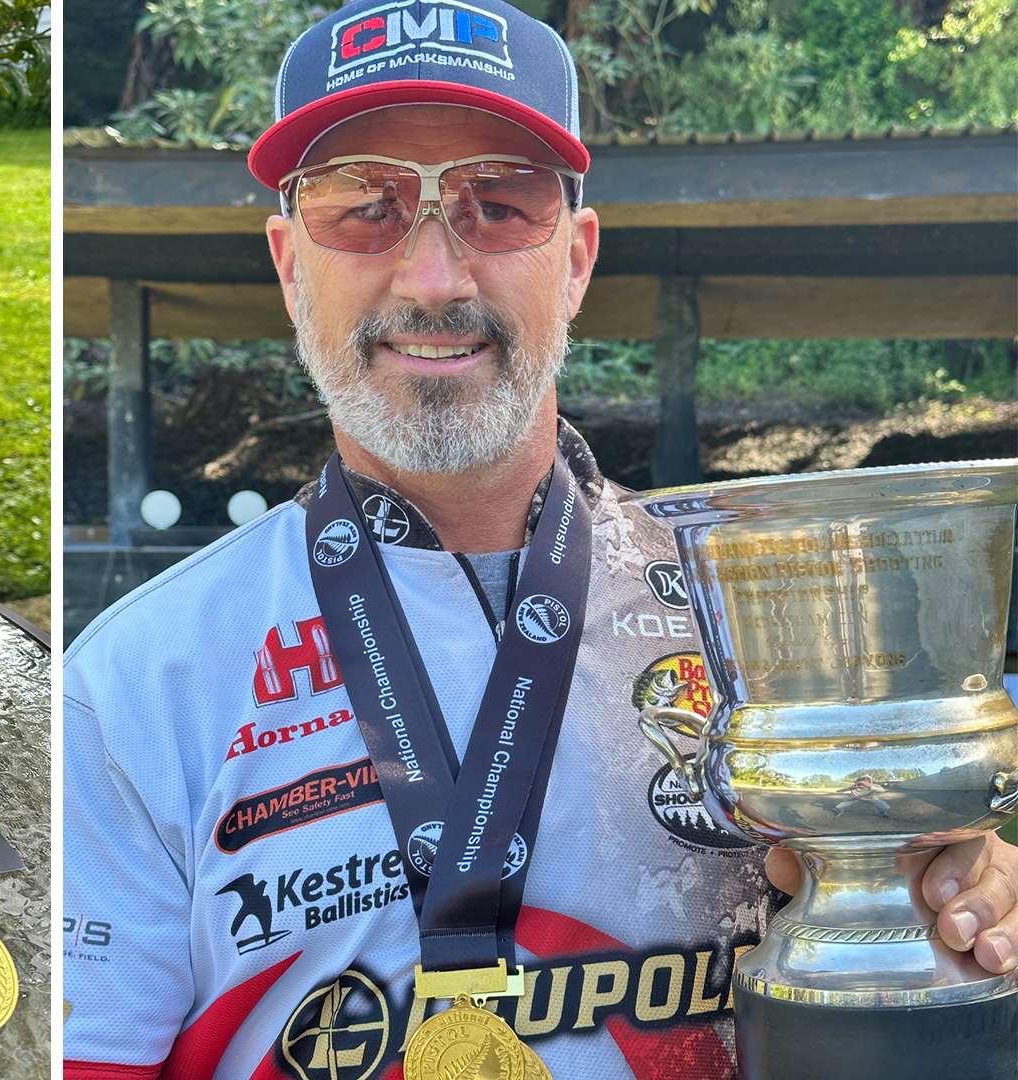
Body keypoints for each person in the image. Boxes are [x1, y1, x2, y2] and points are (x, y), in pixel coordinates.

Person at [60, 1, 1018, 1076]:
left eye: (500, 204)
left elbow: (914, 912)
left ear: (575, 260)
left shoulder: (752, 615)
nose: (433, 281)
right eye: (361, 206)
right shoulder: (134, 684)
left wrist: (950, 887)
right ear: (289, 264)